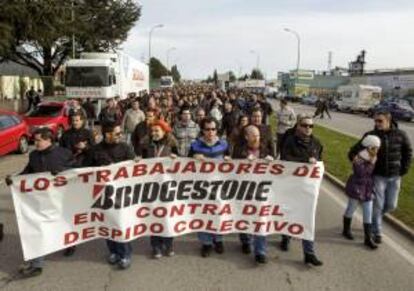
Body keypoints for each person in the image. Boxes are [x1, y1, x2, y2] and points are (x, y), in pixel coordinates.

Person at [5, 127, 74, 278]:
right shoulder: (34, 155)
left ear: (49, 140)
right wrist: (14, 179)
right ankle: (37, 264)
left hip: (60, 200)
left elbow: (77, 172)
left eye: (38, 140)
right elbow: (27, 172)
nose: (34, 143)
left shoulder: (64, 153)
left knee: (62, 224)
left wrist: (62, 171)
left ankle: (69, 243)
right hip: (40, 200)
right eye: (34, 140)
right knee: (36, 229)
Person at [348, 111, 412, 244]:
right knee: (378, 205)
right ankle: (377, 232)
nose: (376, 123)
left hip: (395, 176)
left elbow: (408, 152)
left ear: (389, 120)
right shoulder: (371, 135)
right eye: (375, 121)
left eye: (380, 121)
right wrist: (354, 158)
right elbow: (354, 150)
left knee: (391, 205)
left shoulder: (401, 134)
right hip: (378, 176)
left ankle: (372, 219)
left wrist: (404, 169)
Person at [85, 123, 135, 269]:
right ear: (107, 135)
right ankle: (113, 251)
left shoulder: (125, 148)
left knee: (120, 223)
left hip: (122, 194)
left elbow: (134, 167)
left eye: (121, 133)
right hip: (103, 195)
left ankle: (125, 254)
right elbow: (85, 170)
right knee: (108, 224)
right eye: (117, 133)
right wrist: (97, 170)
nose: (121, 136)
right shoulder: (95, 150)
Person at [280, 115, 323, 266]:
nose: (308, 128)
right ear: (298, 126)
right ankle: (286, 237)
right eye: (305, 125)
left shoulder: (317, 143)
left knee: (307, 219)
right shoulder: (290, 141)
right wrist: (305, 162)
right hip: (291, 186)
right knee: (290, 213)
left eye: (311, 126)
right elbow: (285, 159)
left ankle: (309, 253)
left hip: (308, 188)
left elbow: (320, 162)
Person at [136, 119, 178, 259]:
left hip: (167, 186)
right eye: (152, 131)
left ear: (164, 131)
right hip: (151, 187)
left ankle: (169, 244)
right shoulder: (145, 144)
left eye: (157, 131)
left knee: (167, 215)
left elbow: (182, 162)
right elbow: (139, 160)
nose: (154, 133)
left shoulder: (172, 144)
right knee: (154, 216)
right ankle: (156, 246)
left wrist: (176, 158)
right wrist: (137, 160)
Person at [188, 117, 230, 257]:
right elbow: (185, 165)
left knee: (219, 212)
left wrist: (228, 161)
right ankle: (206, 243)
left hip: (219, 185)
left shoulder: (224, 144)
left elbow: (231, 164)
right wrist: (193, 158)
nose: (210, 132)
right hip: (201, 186)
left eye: (213, 129)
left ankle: (218, 240)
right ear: (202, 130)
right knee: (203, 214)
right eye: (207, 129)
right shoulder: (195, 145)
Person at [232, 125, 274, 264]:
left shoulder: (264, 149)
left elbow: (276, 167)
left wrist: (271, 161)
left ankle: (260, 251)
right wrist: (244, 160)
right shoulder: (239, 150)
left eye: (258, 135)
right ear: (246, 137)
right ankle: (245, 241)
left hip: (261, 191)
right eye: (253, 135)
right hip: (244, 190)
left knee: (260, 220)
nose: (257, 137)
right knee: (245, 218)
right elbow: (232, 169)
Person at [343, 135, 381, 249]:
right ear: (369, 146)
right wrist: (371, 162)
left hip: (368, 187)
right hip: (357, 186)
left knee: (367, 212)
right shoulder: (359, 158)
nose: (377, 150)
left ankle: (368, 238)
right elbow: (361, 173)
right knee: (351, 208)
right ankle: (346, 230)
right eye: (375, 147)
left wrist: (372, 160)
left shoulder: (373, 157)